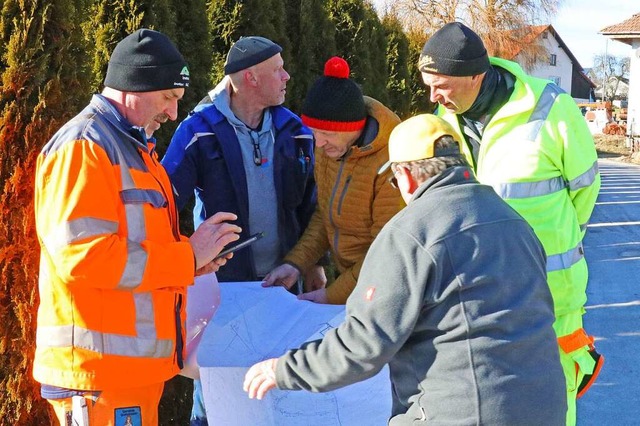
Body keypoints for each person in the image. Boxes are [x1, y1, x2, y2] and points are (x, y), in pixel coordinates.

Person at [243, 114, 568, 425]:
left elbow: (364, 345)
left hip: (463, 413)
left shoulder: (410, 233)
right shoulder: (514, 222)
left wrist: (284, 370)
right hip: (546, 406)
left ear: (407, 175)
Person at [33, 29, 241, 425]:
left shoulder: (134, 150)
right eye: (168, 98)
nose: (173, 113)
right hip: (97, 379)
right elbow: (82, 258)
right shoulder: (85, 147)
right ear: (135, 89)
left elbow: (134, 248)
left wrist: (193, 265)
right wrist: (188, 255)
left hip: (125, 376)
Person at [418, 22, 602, 425]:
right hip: (481, 295)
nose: (433, 96)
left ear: (475, 76)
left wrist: (557, 242)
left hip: (552, 294)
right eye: (428, 84)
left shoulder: (552, 108)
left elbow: (584, 192)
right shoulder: (443, 120)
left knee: (552, 401)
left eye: (442, 85)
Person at [161, 36, 322, 425]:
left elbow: (311, 206)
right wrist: (181, 262)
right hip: (222, 292)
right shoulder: (198, 131)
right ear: (249, 77)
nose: (287, 76)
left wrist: (313, 264)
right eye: (277, 69)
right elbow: (164, 205)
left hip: (283, 287)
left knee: (278, 391)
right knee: (217, 394)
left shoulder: (295, 131)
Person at [262, 56, 403, 304]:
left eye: (326, 133)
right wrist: (296, 263)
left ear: (354, 126)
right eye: (313, 132)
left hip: (385, 291)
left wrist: (333, 295)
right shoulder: (331, 148)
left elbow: (385, 253)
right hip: (351, 282)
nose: (318, 142)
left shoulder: (392, 160)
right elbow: (325, 215)